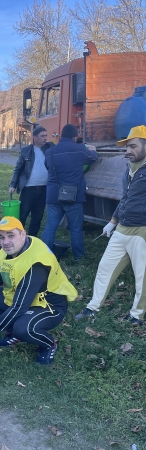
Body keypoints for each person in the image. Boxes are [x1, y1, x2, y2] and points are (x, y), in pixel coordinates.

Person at [0, 216, 77, 364]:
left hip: (49, 305)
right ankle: (13, 333)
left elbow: (19, 307)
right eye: (2, 237)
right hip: (23, 297)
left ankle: (48, 344)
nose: (6, 242)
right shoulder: (8, 250)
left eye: (11, 235)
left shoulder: (36, 263)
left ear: (23, 234)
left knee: (23, 327)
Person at [76, 125, 146, 325]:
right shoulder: (129, 168)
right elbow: (125, 197)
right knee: (105, 268)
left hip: (142, 231)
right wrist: (112, 221)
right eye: (126, 147)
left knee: (142, 277)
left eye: (132, 146)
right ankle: (92, 307)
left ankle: (136, 315)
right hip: (122, 227)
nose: (128, 151)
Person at [41, 124, 98, 261]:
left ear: (61, 136)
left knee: (50, 227)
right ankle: (78, 257)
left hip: (53, 195)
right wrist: (93, 149)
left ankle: (43, 256)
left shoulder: (50, 152)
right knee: (76, 228)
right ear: (74, 137)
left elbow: (48, 167)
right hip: (73, 196)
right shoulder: (79, 150)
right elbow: (93, 158)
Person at [9, 125, 53, 236]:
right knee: (22, 215)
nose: (45, 138)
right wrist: (13, 184)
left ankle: (32, 239)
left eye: (46, 136)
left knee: (37, 217)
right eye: (42, 136)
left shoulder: (50, 148)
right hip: (29, 189)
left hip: (43, 188)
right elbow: (18, 168)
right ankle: (18, 237)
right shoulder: (26, 151)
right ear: (35, 137)